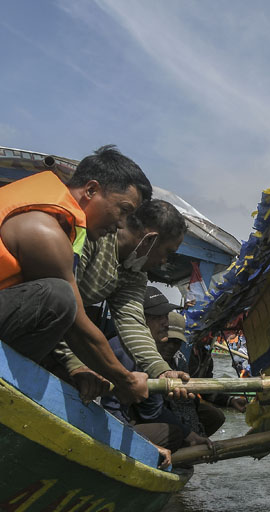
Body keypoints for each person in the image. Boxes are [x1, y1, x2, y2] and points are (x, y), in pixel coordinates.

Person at [0, 145, 151, 406]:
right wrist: (125, 380)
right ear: (91, 190)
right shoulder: (44, 229)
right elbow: (77, 326)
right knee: (59, 298)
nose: (120, 224)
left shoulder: (65, 226)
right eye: (123, 210)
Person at [50, 199, 191, 399]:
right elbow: (60, 306)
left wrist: (160, 370)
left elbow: (131, 321)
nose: (163, 262)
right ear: (150, 239)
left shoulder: (135, 273)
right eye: (167, 252)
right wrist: (76, 364)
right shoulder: (92, 239)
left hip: (61, 335)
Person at [100, 287, 210, 452]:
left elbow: (153, 410)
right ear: (140, 320)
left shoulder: (150, 358)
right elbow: (107, 410)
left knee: (182, 432)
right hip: (103, 424)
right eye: (158, 317)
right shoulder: (122, 351)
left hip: (123, 418)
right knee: (171, 434)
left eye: (165, 315)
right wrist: (148, 445)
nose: (166, 322)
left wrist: (190, 435)